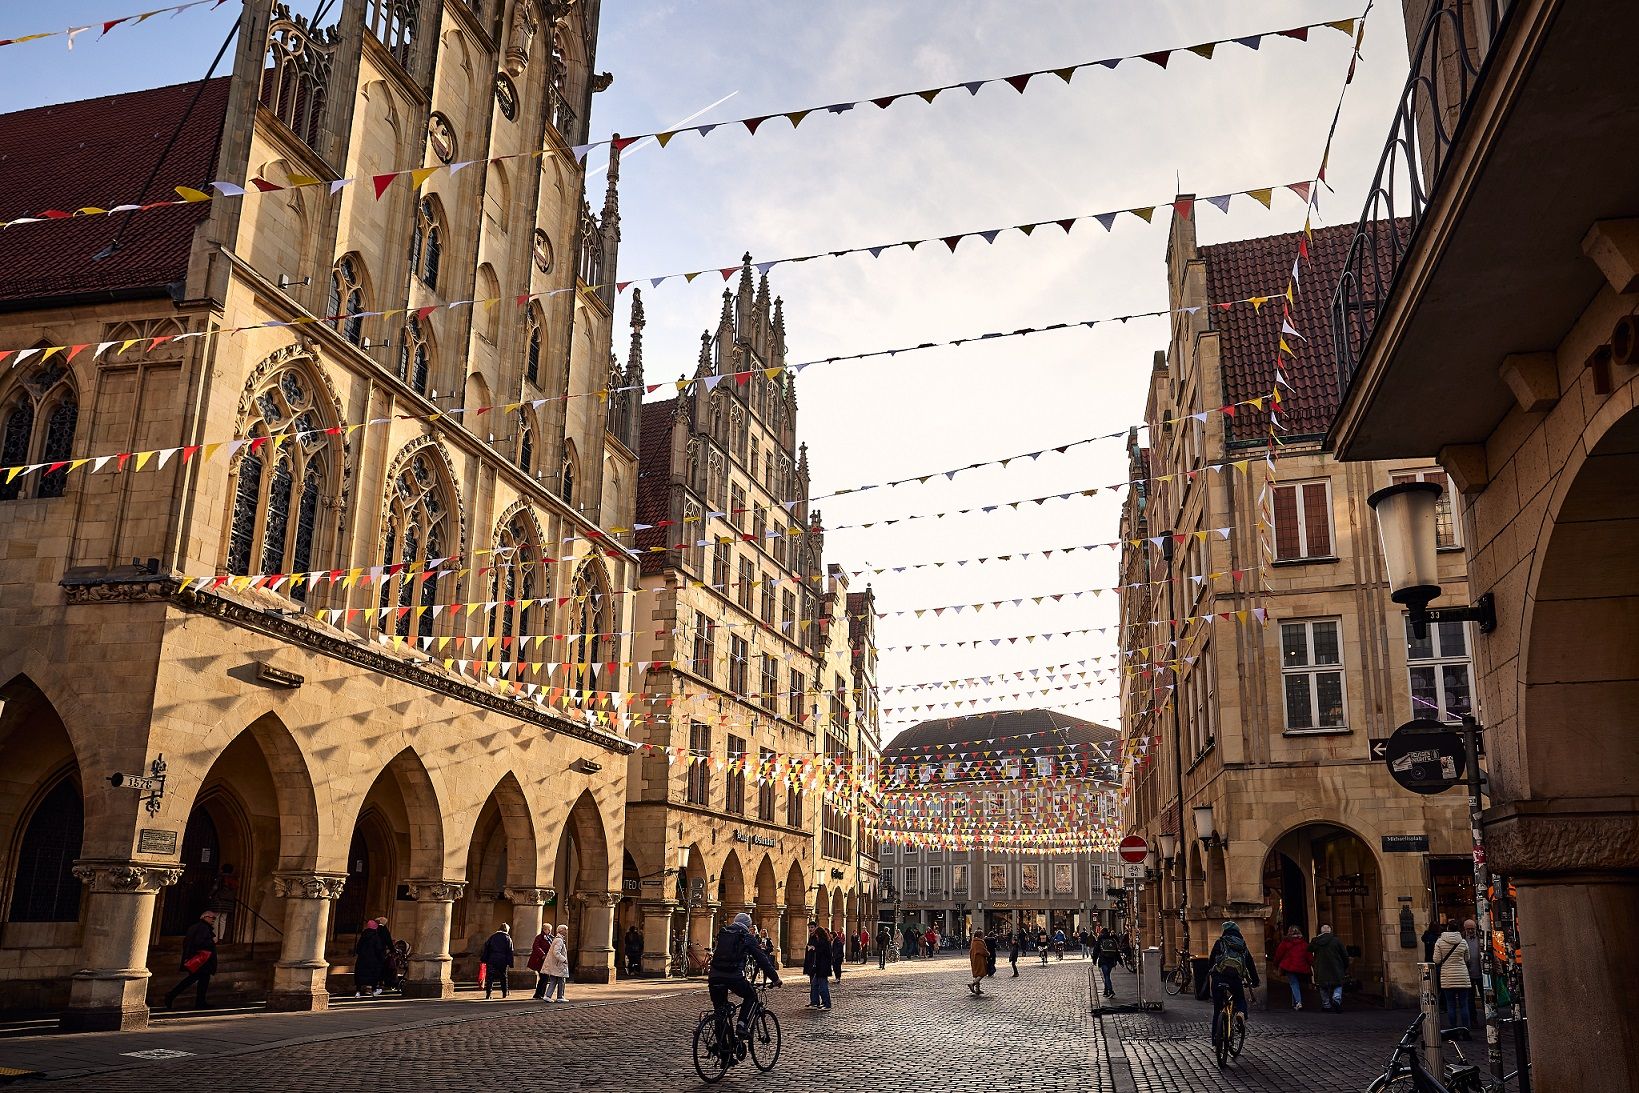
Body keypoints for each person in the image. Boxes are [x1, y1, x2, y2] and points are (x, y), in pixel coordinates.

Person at [709, 911, 782, 1038]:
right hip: (733, 976)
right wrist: (775, 979)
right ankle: (742, 1024)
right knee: (751, 996)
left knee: (720, 1012)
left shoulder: (724, 932)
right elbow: (762, 960)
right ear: (748, 926)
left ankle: (724, 1052)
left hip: (714, 976)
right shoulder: (747, 936)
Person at [1206, 921, 1260, 1026]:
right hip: (1235, 978)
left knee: (1217, 1011)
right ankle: (1240, 1013)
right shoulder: (1242, 945)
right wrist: (1255, 980)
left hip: (1219, 977)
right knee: (1240, 998)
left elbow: (1211, 961)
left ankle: (1215, 1040)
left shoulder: (1220, 942)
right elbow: (1250, 964)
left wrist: (1212, 974)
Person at [163, 910, 218, 1010]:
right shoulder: (203, 928)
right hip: (201, 961)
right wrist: (212, 941)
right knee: (192, 980)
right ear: (204, 917)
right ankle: (171, 995)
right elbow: (199, 942)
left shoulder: (198, 927)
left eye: (215, 918)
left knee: (202, 981)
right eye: (212, 917)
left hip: (199, 960)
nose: (214, 920)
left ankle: (200, 1002)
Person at [1433, 919, 1474, 1035]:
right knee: (1463, 1005)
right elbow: (1467, 959)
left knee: (1450, 1005)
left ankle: (1453, 1030)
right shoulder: (1463, 942)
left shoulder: (1440, 942)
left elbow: (1436, 960)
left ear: (1447, 928)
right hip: (1462, 976)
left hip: (1447, 977)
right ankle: (1466, 1030)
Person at [1308, 923, 1349, 1012]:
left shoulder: (1316, 941)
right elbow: (1344, 955)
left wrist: (1317, 938)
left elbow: (1309, 949)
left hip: (1321, 967)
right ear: (1330, 931)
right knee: (1338, 984)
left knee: (1323, 986)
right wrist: (1345, 965)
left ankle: (1326, 1005)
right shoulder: (1336, 941)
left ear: (1321, 932)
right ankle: (1336, 998)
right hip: (1336, 966)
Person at [1273, 925, 1313, 1011]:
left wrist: (1276, 964)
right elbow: (1309, 956)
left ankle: (1298, 1002)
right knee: (1295, 983)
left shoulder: (1285, 943)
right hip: (1301, 966)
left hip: (1289, 966)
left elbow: (1278, 954)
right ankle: (1295, 1003)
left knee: (1294, 984)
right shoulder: (1304, 944)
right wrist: (1311, 964)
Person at [354, 918, 388, 997]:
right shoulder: (375, 937)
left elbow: (358, 948)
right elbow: (378, 948)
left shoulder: (363, 936)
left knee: (360, 975)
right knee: (373, 975)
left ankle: (358, 991)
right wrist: (381, 958)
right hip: (373, 960)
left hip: (362, 959)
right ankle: (373, 990)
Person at [802, 923, 832, 1010]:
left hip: (822, 968)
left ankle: (827, 1003)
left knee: (823, 986)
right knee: (814, 984)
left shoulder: (824, 941)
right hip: (818, 967)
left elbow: (825, 953)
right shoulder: (820, 940)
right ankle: (816, 1002)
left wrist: (814, 948)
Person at [481, 922, 514, 999]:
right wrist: (510, 963)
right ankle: (504, 993)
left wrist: (484, 959)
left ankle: (488, 994)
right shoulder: (507, 938)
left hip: (492, 959)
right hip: (502, 960)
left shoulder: (492, 937)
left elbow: (486, 948)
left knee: (490, 977)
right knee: (503, 977)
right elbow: (510, 951)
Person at [542, 923, 571, 1001]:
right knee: (561, 980)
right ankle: (560, 997)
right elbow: (556, 952)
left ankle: (548, 996)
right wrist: (564, 959)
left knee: (553, 980)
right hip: (558, 964)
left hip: (555, 964)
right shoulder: (559, 940)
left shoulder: (557, 939)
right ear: (562, 931)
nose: (566, 932)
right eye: (566, 930)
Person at [529, 923, 554, 999]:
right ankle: (539, 994)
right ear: (544, 929)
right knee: (544, 977)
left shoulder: (550, 937)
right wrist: (543, 955)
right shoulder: (539, 937)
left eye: (550, 930)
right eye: (548, 930)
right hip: (540, 960)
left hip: (546, 961)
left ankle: (539, 994)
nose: (549, 931)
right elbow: (536, 947)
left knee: (544, 978)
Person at [376, 916, 399, 992]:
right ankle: (381, 982)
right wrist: (393, 950)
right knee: (382, 966)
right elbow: (388, 941)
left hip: (374, 950)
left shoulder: (375, 929)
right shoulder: (384, 930)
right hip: (381, 950)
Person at [1097, 927, 1121, 998]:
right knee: (1107, 975)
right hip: (1111, 960)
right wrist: (1120, 961)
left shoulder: (1100, 939)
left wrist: (1095, 960)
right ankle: (1105, 991)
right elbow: (1116, 952)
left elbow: (1096, 950)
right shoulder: (1112, 939)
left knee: (1106, 976)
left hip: (1103, 960)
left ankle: (1110, 991)